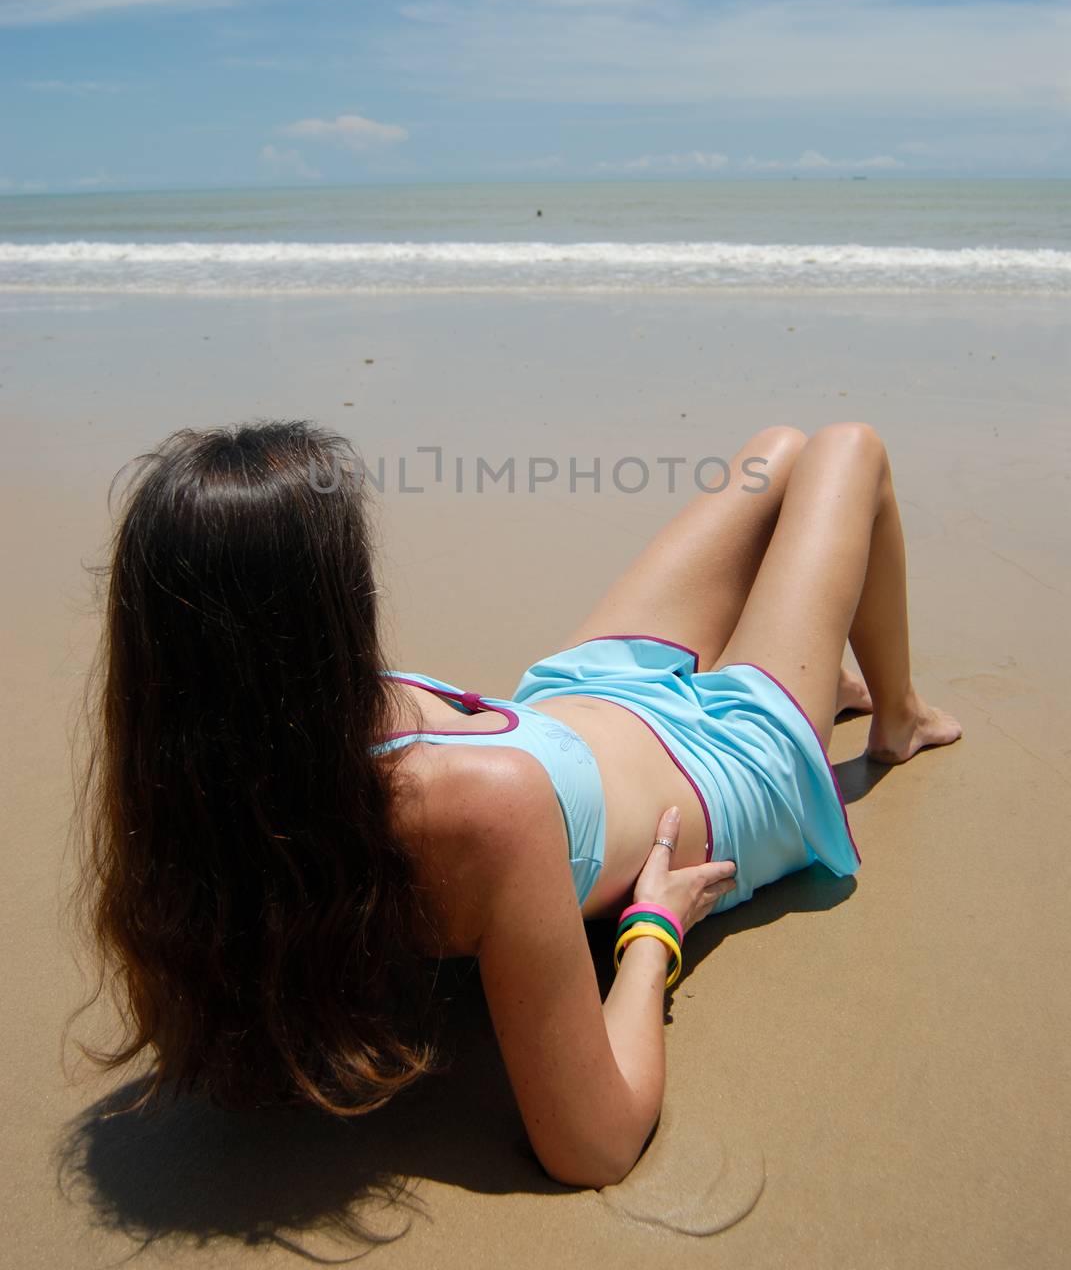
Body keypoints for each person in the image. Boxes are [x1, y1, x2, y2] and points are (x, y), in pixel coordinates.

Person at [70, 419, 961, 1191]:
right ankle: (895, 717)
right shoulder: (473, 814)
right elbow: (593, 1147)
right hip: (723, 767)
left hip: (577, 697)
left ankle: (807, 671)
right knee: (850, 450)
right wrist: (650, 932)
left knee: (776, 456)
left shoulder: (222, 776)